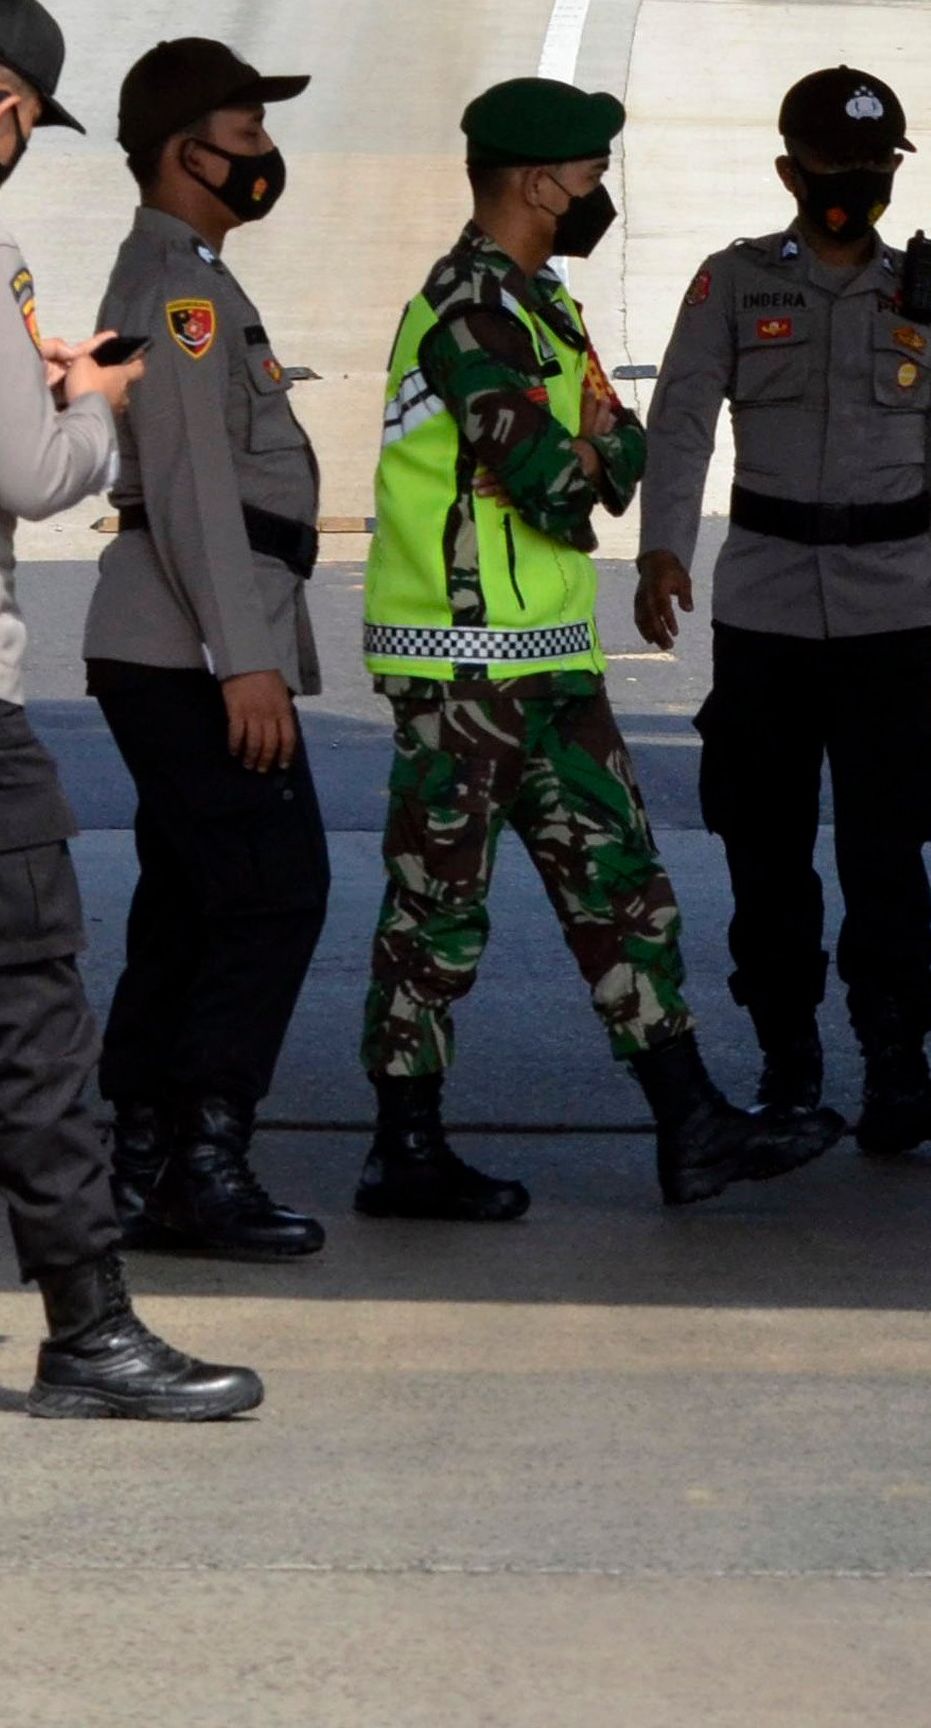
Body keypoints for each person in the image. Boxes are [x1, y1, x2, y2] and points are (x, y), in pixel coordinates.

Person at [356, 74, 841, 1217]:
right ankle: (403, 1144)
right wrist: (585, 444)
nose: (599, 193)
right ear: (537, 182)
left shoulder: (544, 309)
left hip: (548, 656)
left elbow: (612, 465)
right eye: (589, 176)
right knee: (438, 906)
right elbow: (550, 475)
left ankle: (692, 1124)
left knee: (623, 888)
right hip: (461, 659)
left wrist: (588, 445)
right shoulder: (468, 307)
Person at [0, 0, 257, 1419]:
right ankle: (91, 1329)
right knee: (27, 1011)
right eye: (23, 130)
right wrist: (90, 402)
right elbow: (37, 478)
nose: (19, 151)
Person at [634, 65, 931, 1156]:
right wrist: (661, 550)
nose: (854, 186)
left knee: (889, 855)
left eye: (874, 169)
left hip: (891, 618)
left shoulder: (930, 293)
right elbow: (683, 418)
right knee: (765, 849)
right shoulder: (732, 285)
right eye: (833, 168)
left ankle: (896, 1069)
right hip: (768, 613)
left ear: (896, 174)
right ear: (790, 171)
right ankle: (788, 1069)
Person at [83, 38, 333, 1262]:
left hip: (176, 638)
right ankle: (203, 1165)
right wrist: (247, 659)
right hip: (191, 647)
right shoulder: (179, 292)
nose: (264, 155)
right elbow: (187, 489)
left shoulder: (190, 279)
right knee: (275, 891)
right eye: (244, 133)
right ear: (184, 151)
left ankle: (142, 1161)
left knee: (190, 899)